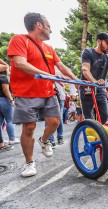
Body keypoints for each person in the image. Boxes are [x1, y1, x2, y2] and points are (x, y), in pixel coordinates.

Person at [7, 12, 79, 177]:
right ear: (39, 25)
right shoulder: (19, 40)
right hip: (26, 93)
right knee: (29, 127)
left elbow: (61, 67)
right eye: (48, 26)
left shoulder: (49, 48)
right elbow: (20, 63)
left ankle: (44, 140)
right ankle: (29, 163)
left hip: (48, 92)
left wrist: (75, 79)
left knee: (54, 122)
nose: (51, 30)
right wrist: (46, 74)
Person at [80, 32, 108, 124]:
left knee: (105, 115)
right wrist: (94, 82)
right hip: (87, 88)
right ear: (99, 41)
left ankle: (99, 133)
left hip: (100, 88)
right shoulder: (88, 52)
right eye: (107, 43)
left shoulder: (107, 58)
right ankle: (90, 133)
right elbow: (85, 70)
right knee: (88, 116)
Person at [46, 68, 77, 147]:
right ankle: (50, 139)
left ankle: (60, 137)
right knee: (48, 118)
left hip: (60, 97)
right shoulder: (43, 66)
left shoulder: (59, 66)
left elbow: (69, 78)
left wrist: (73, 92)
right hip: (47, 95)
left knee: (58, 118)